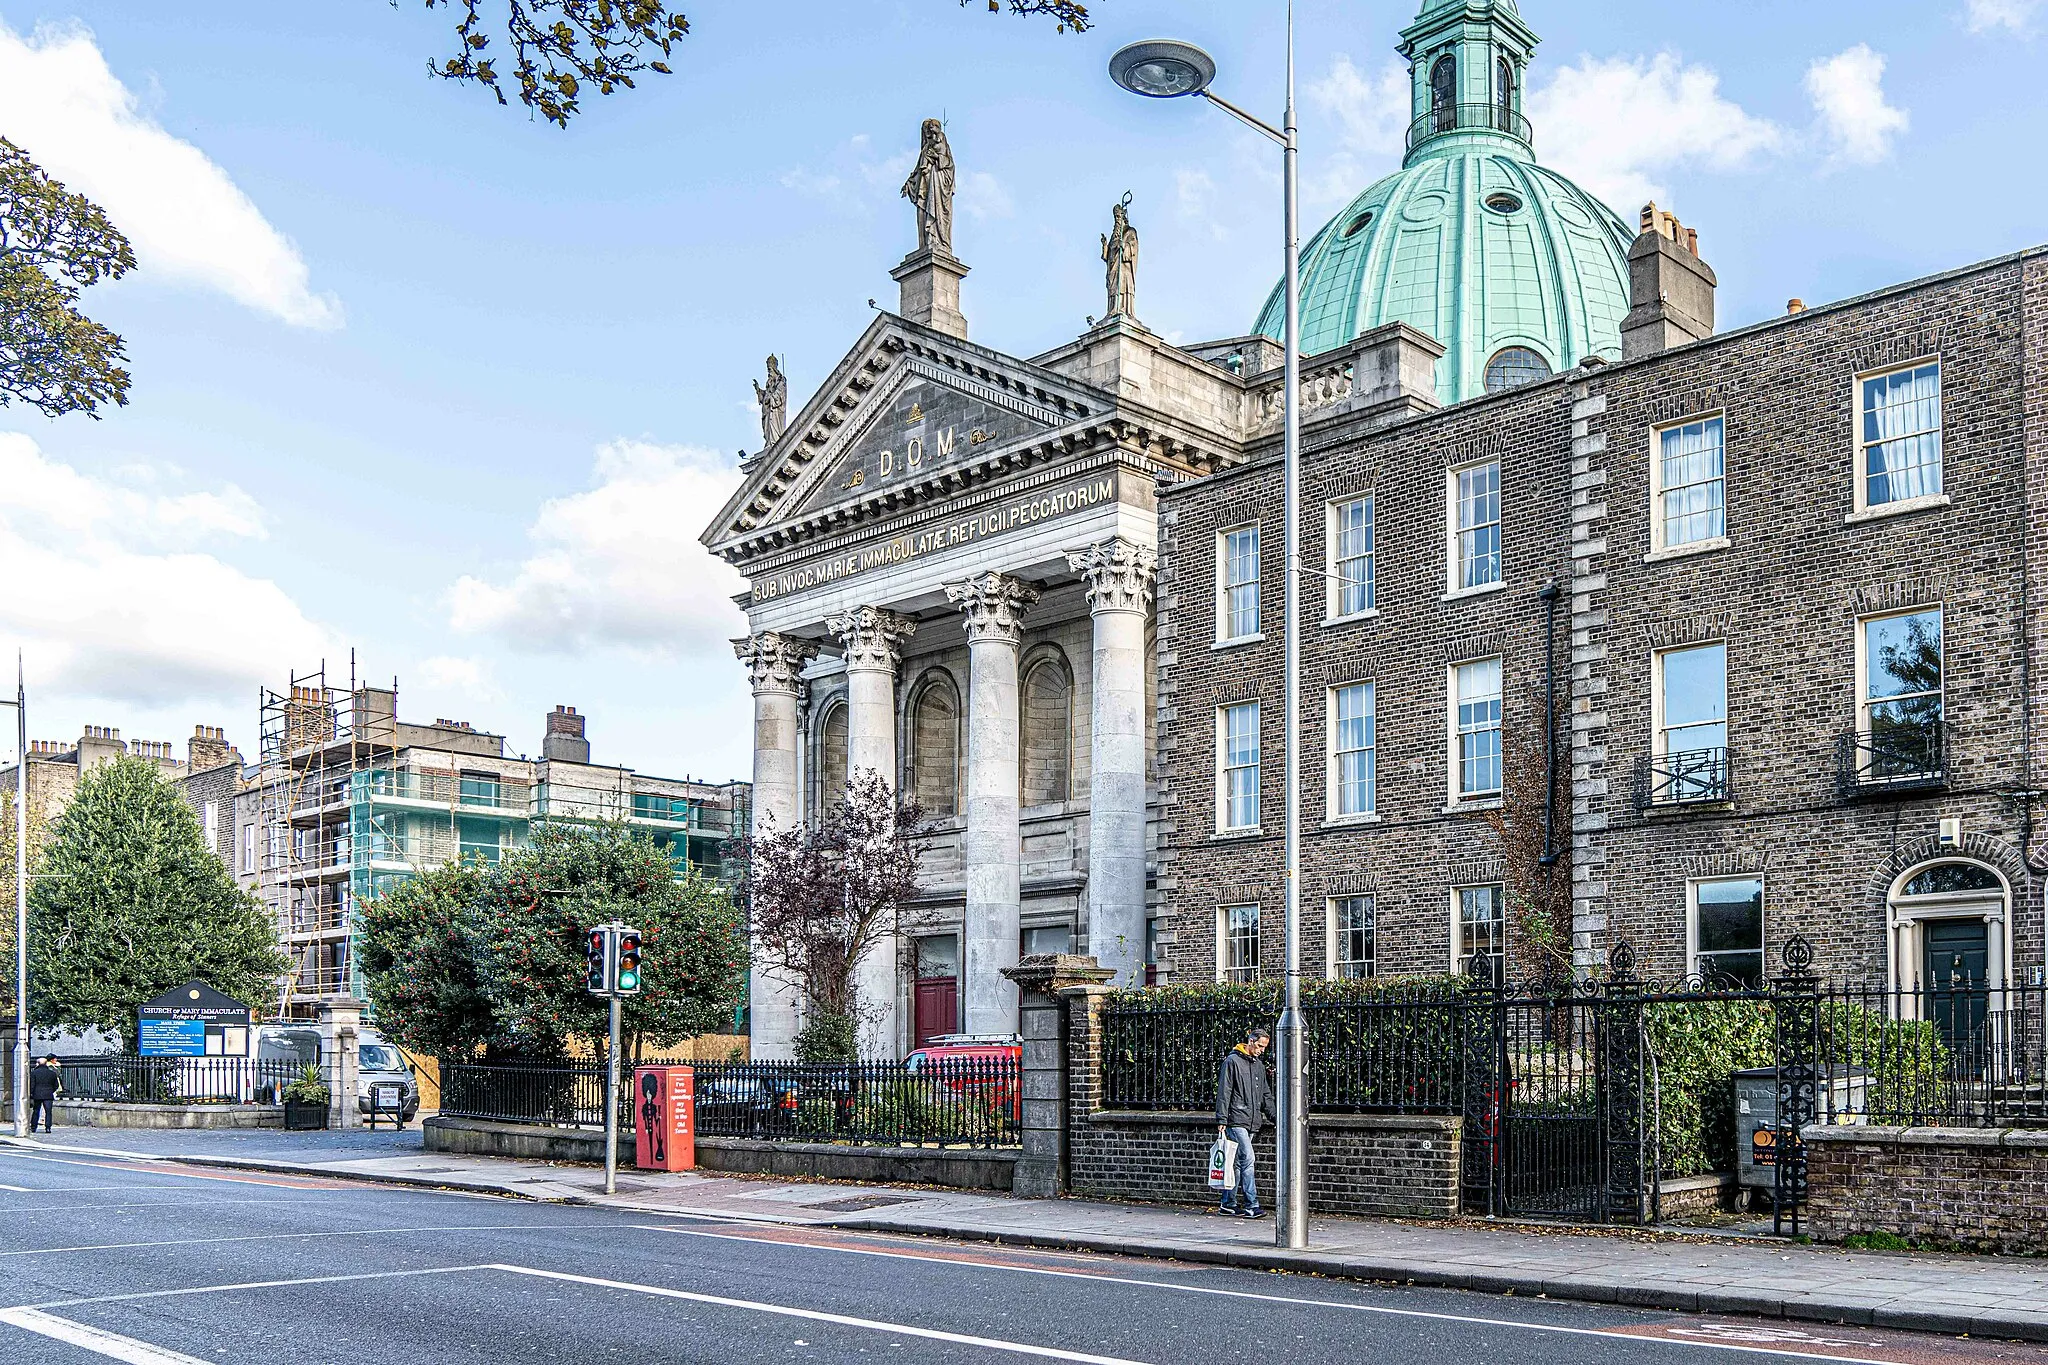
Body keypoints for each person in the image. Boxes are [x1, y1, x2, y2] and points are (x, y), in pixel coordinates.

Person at [1214, 1025, 1276, 1218]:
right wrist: (1222, 1118)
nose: (1261, 1050)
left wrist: (1276, 1119)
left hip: (1251, 1120)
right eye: (1259, 1046)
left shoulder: (1258, 1065)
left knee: (1239, 1165)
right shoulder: (1232, 1061)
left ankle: (1228, 1204)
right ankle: (1251, 1204)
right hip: (1236, 1119)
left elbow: (1266, 1095)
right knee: (1248, 1160)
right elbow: (1224, 1092)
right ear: (1250, 1042)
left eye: (1264, 1047)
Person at [27, 1056, 61, 1134]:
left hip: (37, 1094)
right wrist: (51, 1090)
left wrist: (31, 1093)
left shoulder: (34, 1073)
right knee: (48, 1111)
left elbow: (32, 1085)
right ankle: (48, 1127)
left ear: (38, 1063)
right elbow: (56, 1085)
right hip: (48, 1094)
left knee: (36, 1111)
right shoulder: (52, 1073)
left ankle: (33, 1127)